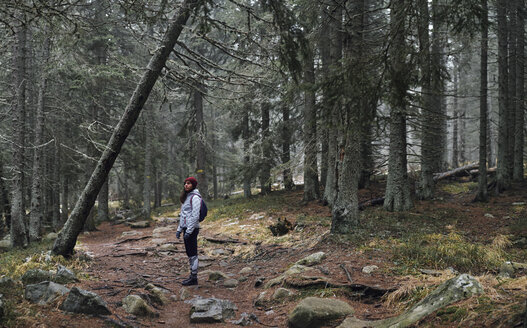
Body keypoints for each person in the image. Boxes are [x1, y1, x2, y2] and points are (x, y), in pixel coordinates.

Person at [176, 177, 202, 286]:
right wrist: (179, 229)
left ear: (193, 185)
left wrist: (189, 231)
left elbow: (195, 216)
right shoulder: (187, 197)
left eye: (189, 183)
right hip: (186, 229)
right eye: (185, 183)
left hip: (192, 229)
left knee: (193, 253)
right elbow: (184, 215)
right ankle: (192, 276)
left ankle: (194, 278)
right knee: (189, 253)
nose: (186, 185)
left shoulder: (195, 198)